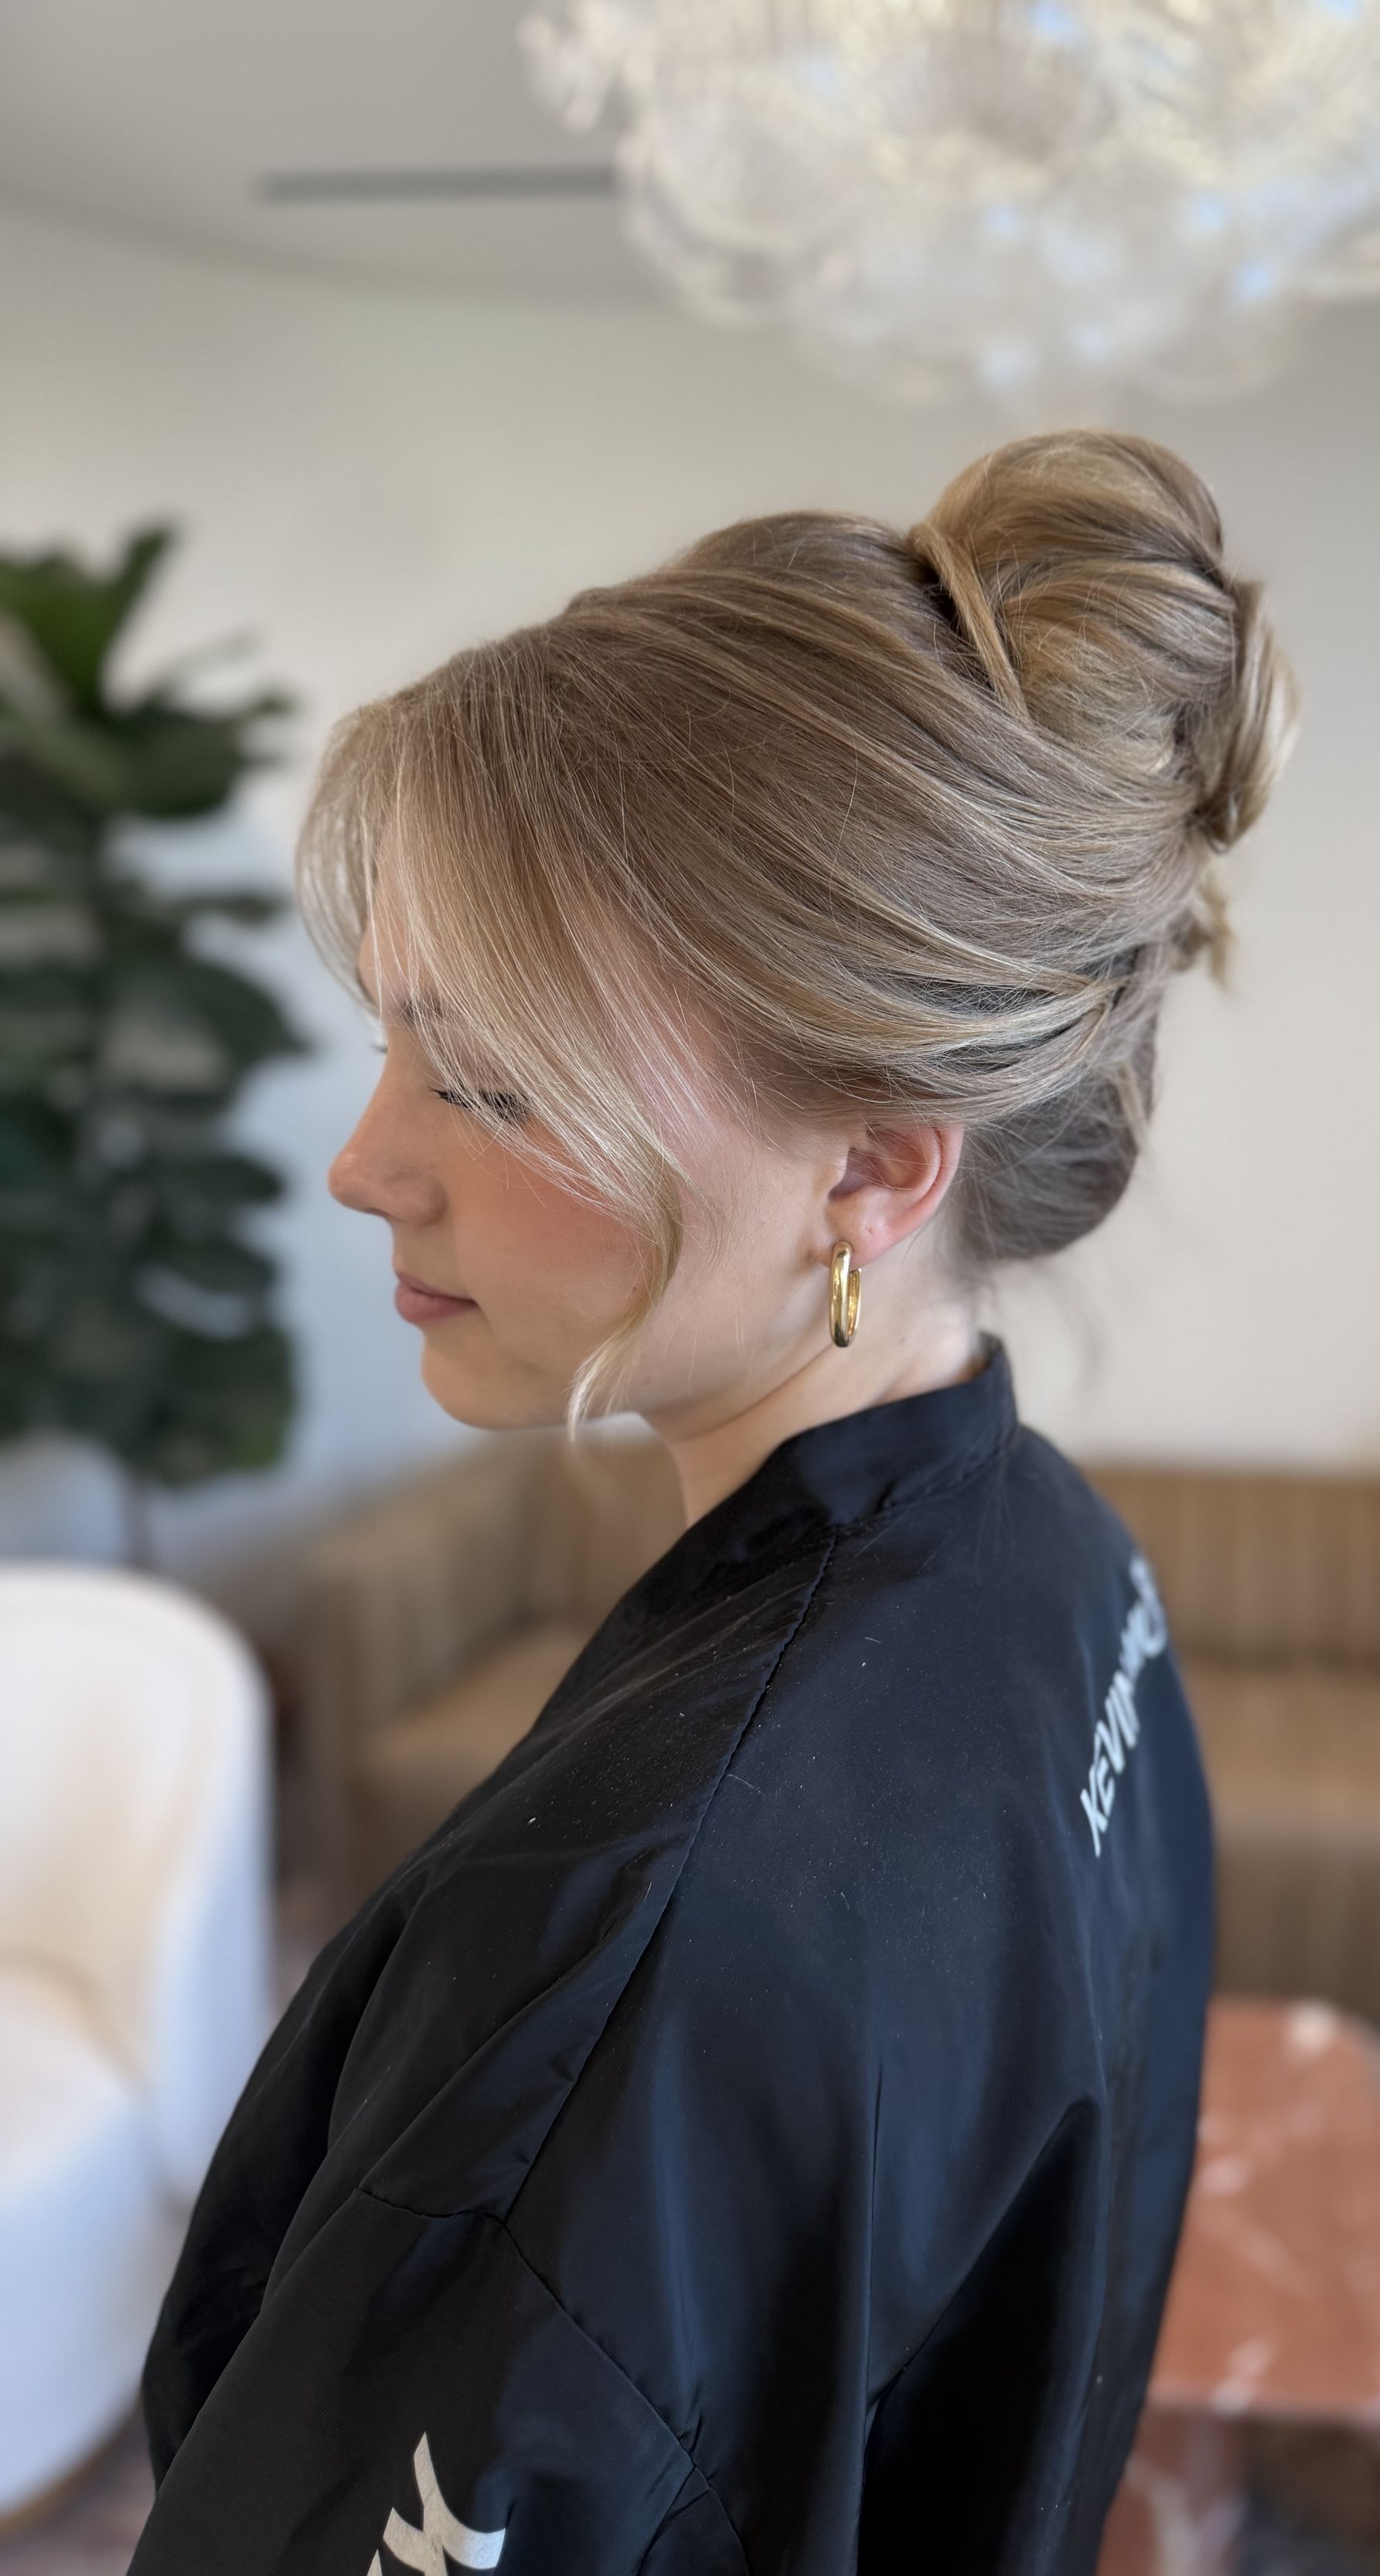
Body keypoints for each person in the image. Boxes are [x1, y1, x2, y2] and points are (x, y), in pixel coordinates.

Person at [132, 430, 1290, 2576]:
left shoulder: (634, 1964)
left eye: (488, 1074)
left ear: (868, 1162)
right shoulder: (1058, 1562)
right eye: (392, 1041)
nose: (367, 1160)